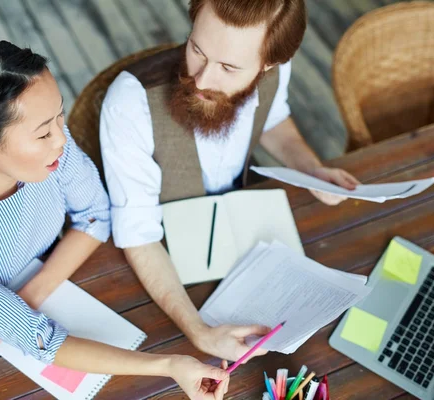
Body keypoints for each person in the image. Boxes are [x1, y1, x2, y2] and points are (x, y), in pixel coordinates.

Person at [0, 40, 229, 399]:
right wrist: (167, 365)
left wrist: (30, 294)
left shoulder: (50, 149)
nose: (61, 138)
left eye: (59, 116)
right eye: (43, 132)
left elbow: (95, 215)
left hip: (44, 276)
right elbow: (41, 341)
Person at [99, 0, 360, 364]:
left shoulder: (275, 71)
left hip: (242, 232)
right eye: (197, 49)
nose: (203, 80)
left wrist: (309, 167)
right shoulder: (130, 103)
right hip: (164, 262)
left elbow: (273, 118)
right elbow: (139, 236)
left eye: (229, 67)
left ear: (269, 65)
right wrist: (199, 332)